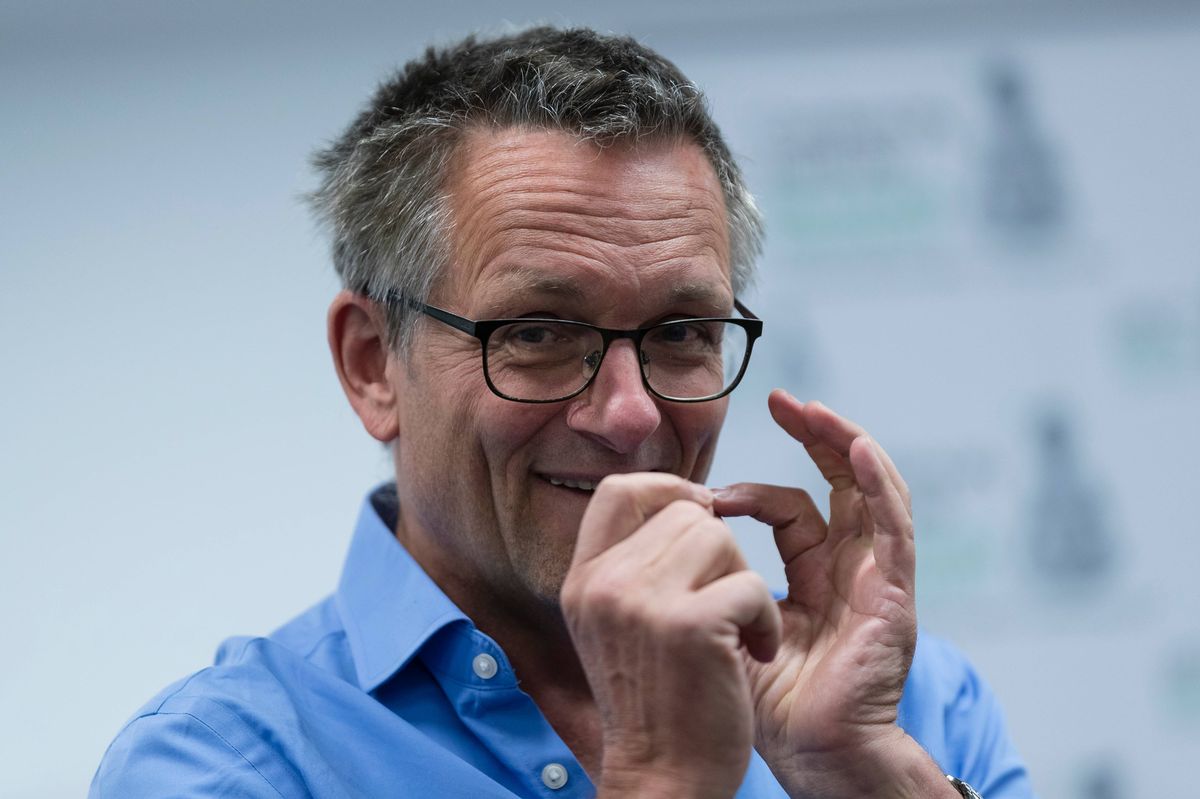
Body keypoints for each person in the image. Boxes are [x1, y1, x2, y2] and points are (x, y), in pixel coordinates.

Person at [90, 27, 1034, 798]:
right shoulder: (222, 767)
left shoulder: (908, 703)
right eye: (538, 331)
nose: (628, 416)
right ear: (374, 365)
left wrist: (858, 776)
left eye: (679, 331)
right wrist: (664, 781)